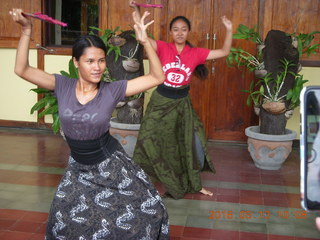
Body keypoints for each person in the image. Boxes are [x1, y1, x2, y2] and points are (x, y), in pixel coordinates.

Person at [9, 8, 169, 239]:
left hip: (110, 166)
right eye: (90, 61)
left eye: (101, 60)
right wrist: (26, 31)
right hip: (78, 168)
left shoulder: (112, 90)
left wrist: (145, 42)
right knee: (62, 223)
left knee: (149, 210)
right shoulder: (61, 85)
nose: (97, 67)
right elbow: (21, 69)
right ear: (76, 62)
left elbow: (157, 77)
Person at [131, 3, 233, 199]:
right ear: (170, 32)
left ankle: (193, 183)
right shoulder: (162, 46)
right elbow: (141, 36)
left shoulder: (196, 53)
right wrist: (135, 8)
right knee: (146, 138)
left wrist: (229, 29)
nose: (179, 33)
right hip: (160, 101)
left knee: (187, 143)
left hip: (181, 104)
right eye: (175, 29)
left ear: (188, 32)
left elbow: (224, 52)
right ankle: (142, 178)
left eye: (183, 29)